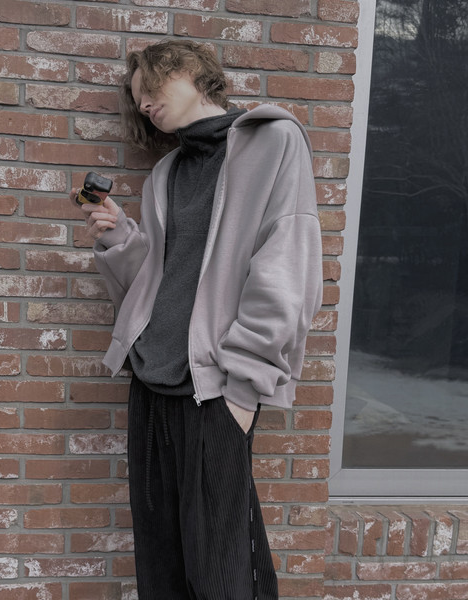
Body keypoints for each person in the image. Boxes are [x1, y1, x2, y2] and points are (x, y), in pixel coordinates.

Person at [71, 39, 323, 600]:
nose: (143, 104)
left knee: (220, 565)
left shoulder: (272, 140)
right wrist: (119, 236)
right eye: (136, 99)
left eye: (149, 89)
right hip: (150, 381)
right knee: (160, 556)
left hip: (215, 388)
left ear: (188, 70)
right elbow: (159, 281)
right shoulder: (166, 172)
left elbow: (287, 268)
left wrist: (244, 389)